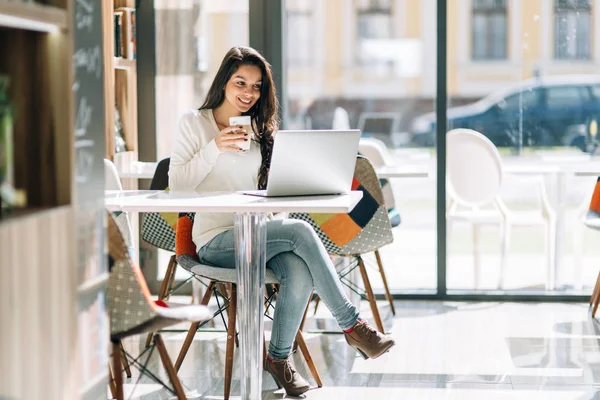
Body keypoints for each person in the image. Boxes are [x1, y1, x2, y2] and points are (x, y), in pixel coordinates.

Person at [169, 46, 395, 396]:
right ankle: (353, 326)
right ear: (223, 83)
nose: (248, 93)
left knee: (299, 268)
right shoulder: (194, 123)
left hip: (259, 234)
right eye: (240, 83)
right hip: (215, 240)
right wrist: (214, 146)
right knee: (302, 231)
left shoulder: (260, 131)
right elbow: (179, 187)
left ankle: (278, 360)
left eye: (257, 86)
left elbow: (269, 192)